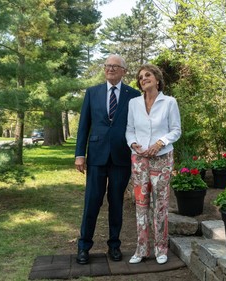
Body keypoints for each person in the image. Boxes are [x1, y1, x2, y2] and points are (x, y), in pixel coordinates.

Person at [74, 54, 140, 265]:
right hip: (96, 156)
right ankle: (84, 246)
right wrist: (79, 154)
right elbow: (84, 125)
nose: (110, 69)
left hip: (121, 157)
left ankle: (114, 245)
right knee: (92, 202)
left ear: (124, 71)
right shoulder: (93, 93)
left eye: (115, 66)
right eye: (107, 66)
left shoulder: (134, 95)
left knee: (116, 203)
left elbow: (139, 125)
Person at [125, 64, 181, 265]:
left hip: (162, 158)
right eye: (140, 77)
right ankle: (141, 249)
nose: (143, 79)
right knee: (141, 204)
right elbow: (129, 129)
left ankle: (161, 249)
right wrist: (133, 143)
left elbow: (176, 130)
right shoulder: (134, 103)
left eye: (148, 75)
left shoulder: (169, 102)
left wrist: (160, 143)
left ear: (157, 79)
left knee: (160, 205)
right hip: (139, 160)